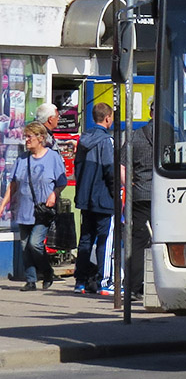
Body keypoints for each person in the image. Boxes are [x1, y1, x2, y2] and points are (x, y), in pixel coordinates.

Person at [0, 122, 68, 291]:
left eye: (30, 136)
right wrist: (2, 205)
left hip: (42, 210)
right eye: (26, 136)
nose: (26, 140)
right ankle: (31, 280)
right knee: (24, 246)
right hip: (23, 209)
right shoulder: (22, 158)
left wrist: (54, 194)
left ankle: (47, 271)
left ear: (40, 138)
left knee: (35, 243)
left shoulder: (52, 157)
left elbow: (62, 181)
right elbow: (13, 184)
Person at [73, 102, 117, 295]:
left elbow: (77, 169)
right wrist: (116, 194)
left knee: (85, 239)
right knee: (104, 240)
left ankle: (80, 282)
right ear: (107, 118)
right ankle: (102, 281)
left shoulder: (83, 140)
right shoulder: (106, 141)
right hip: (103, 197)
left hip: (85, 197)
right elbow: (110, 170)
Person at [126, 101, 154, 300]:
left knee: (138, 242)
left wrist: (131, 186)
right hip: (168, 195)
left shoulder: (136, 135)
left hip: (140, 194)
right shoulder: (171, 133)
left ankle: (135, 286)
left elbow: (121, 167)